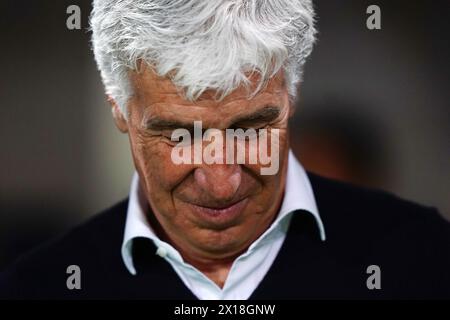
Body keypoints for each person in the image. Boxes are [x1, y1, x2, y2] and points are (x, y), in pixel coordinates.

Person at [1, 0, 449, 299]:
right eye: (179, 135)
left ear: (292, 98)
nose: (220, 183)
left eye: (251, 128)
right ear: (119, 110)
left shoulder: (424, 259)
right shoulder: (34, 289)